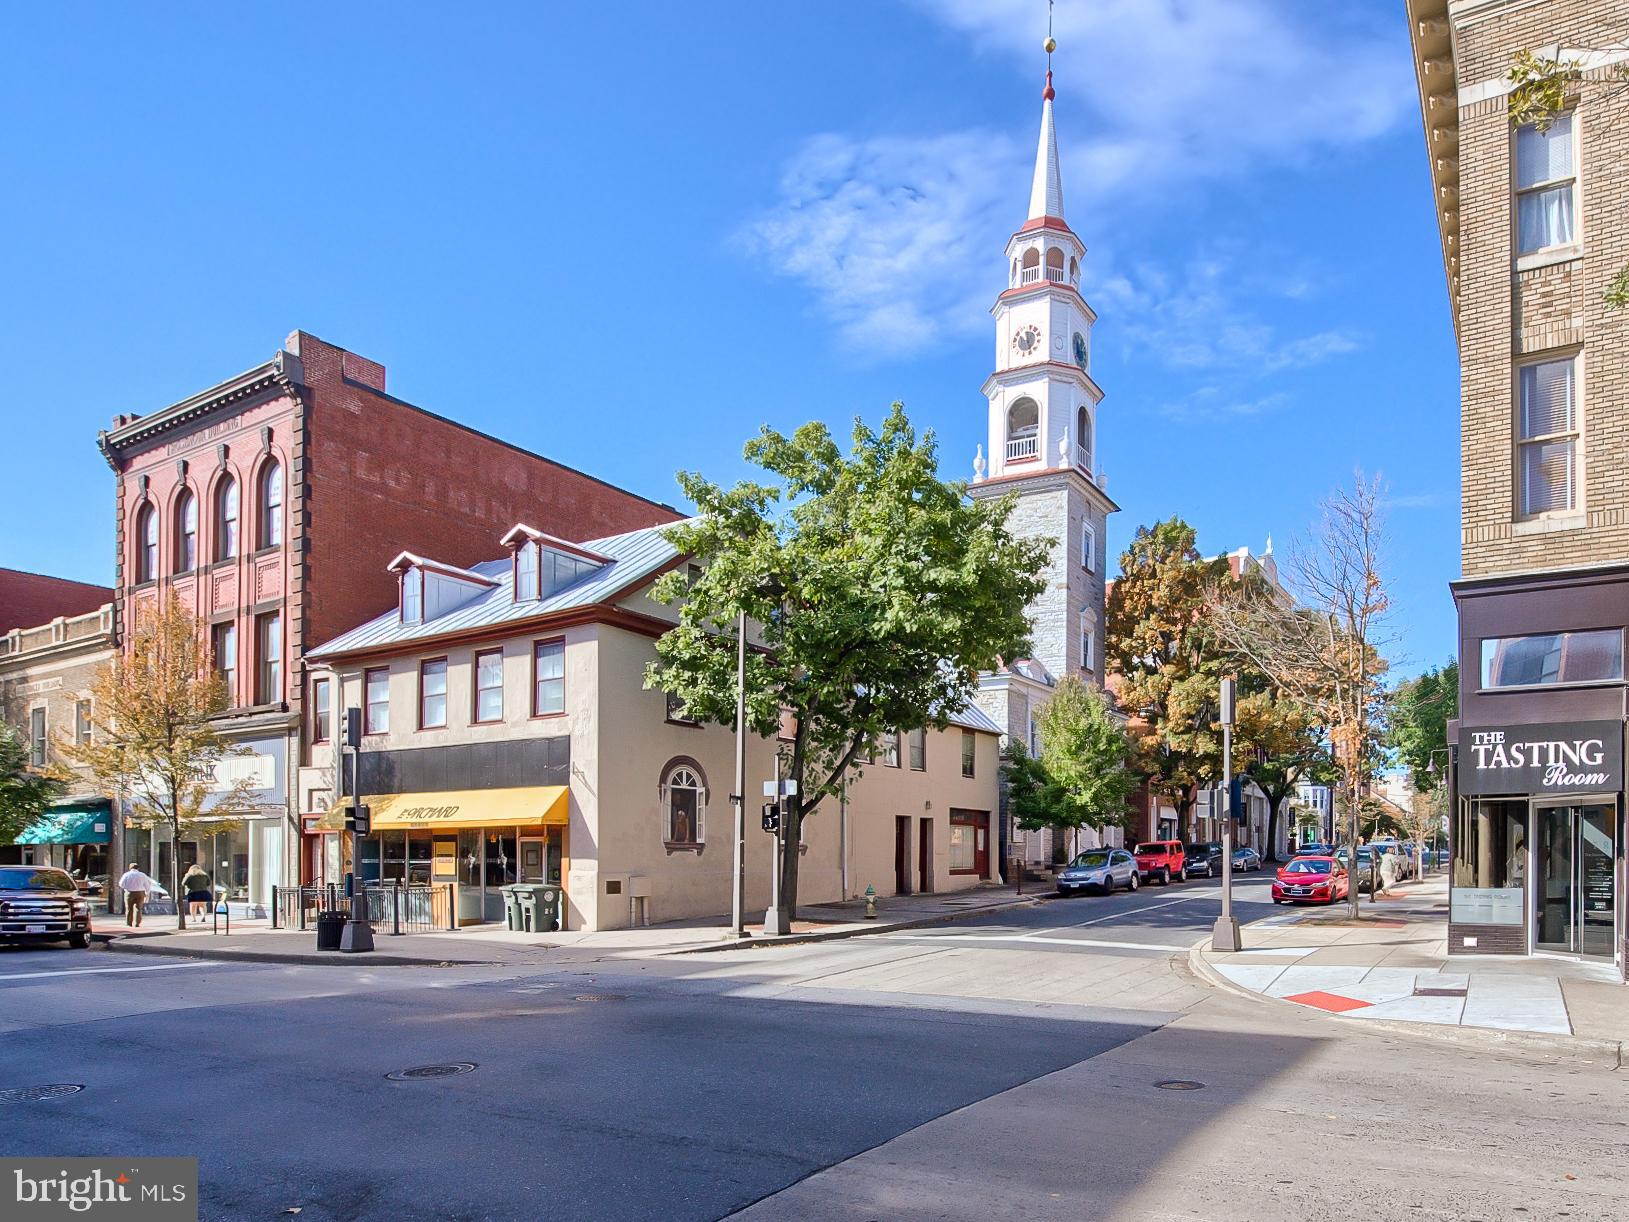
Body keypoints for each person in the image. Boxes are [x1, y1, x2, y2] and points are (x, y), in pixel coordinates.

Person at [117, 862, 154, 928]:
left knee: (129, 908)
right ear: (138, 868)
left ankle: (129, 923)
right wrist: (147, 893)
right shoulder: (142, 875)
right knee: (138, 908)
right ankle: (137, 923)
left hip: (129, 892)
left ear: (130, 868)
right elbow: (147, 885)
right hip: (140, 892)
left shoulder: (126, 874)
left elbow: (121, 884)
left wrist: (126, 887)